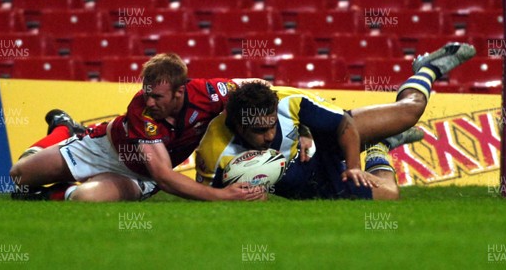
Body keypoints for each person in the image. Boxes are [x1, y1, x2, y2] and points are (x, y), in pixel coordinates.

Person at [195, 42, 476, 200]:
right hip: (307, 182)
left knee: (410, 111)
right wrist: (240, 197)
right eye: (260, 130)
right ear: (239, 125)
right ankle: (381, 148)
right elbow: (206, 195)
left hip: (326, 142)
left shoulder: (287, 100)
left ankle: (426, 69)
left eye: (272, 126)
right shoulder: (214, 149)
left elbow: (344, 125)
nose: (269, 135)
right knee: (390, 195)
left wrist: (354, 168)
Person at [10, 53, 266, 202]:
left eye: (158, 97)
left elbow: (259, 86)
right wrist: (223, 196)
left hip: (138, 176)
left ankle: (49, 195)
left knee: (85, 199)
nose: (150, 101)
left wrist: (302, 132)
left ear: (180, 91)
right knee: (19, 175)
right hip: (101, 149)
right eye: (147, 93)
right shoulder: (141, 109)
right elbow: (165, 176)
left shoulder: (210, 94)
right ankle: (64, 129)